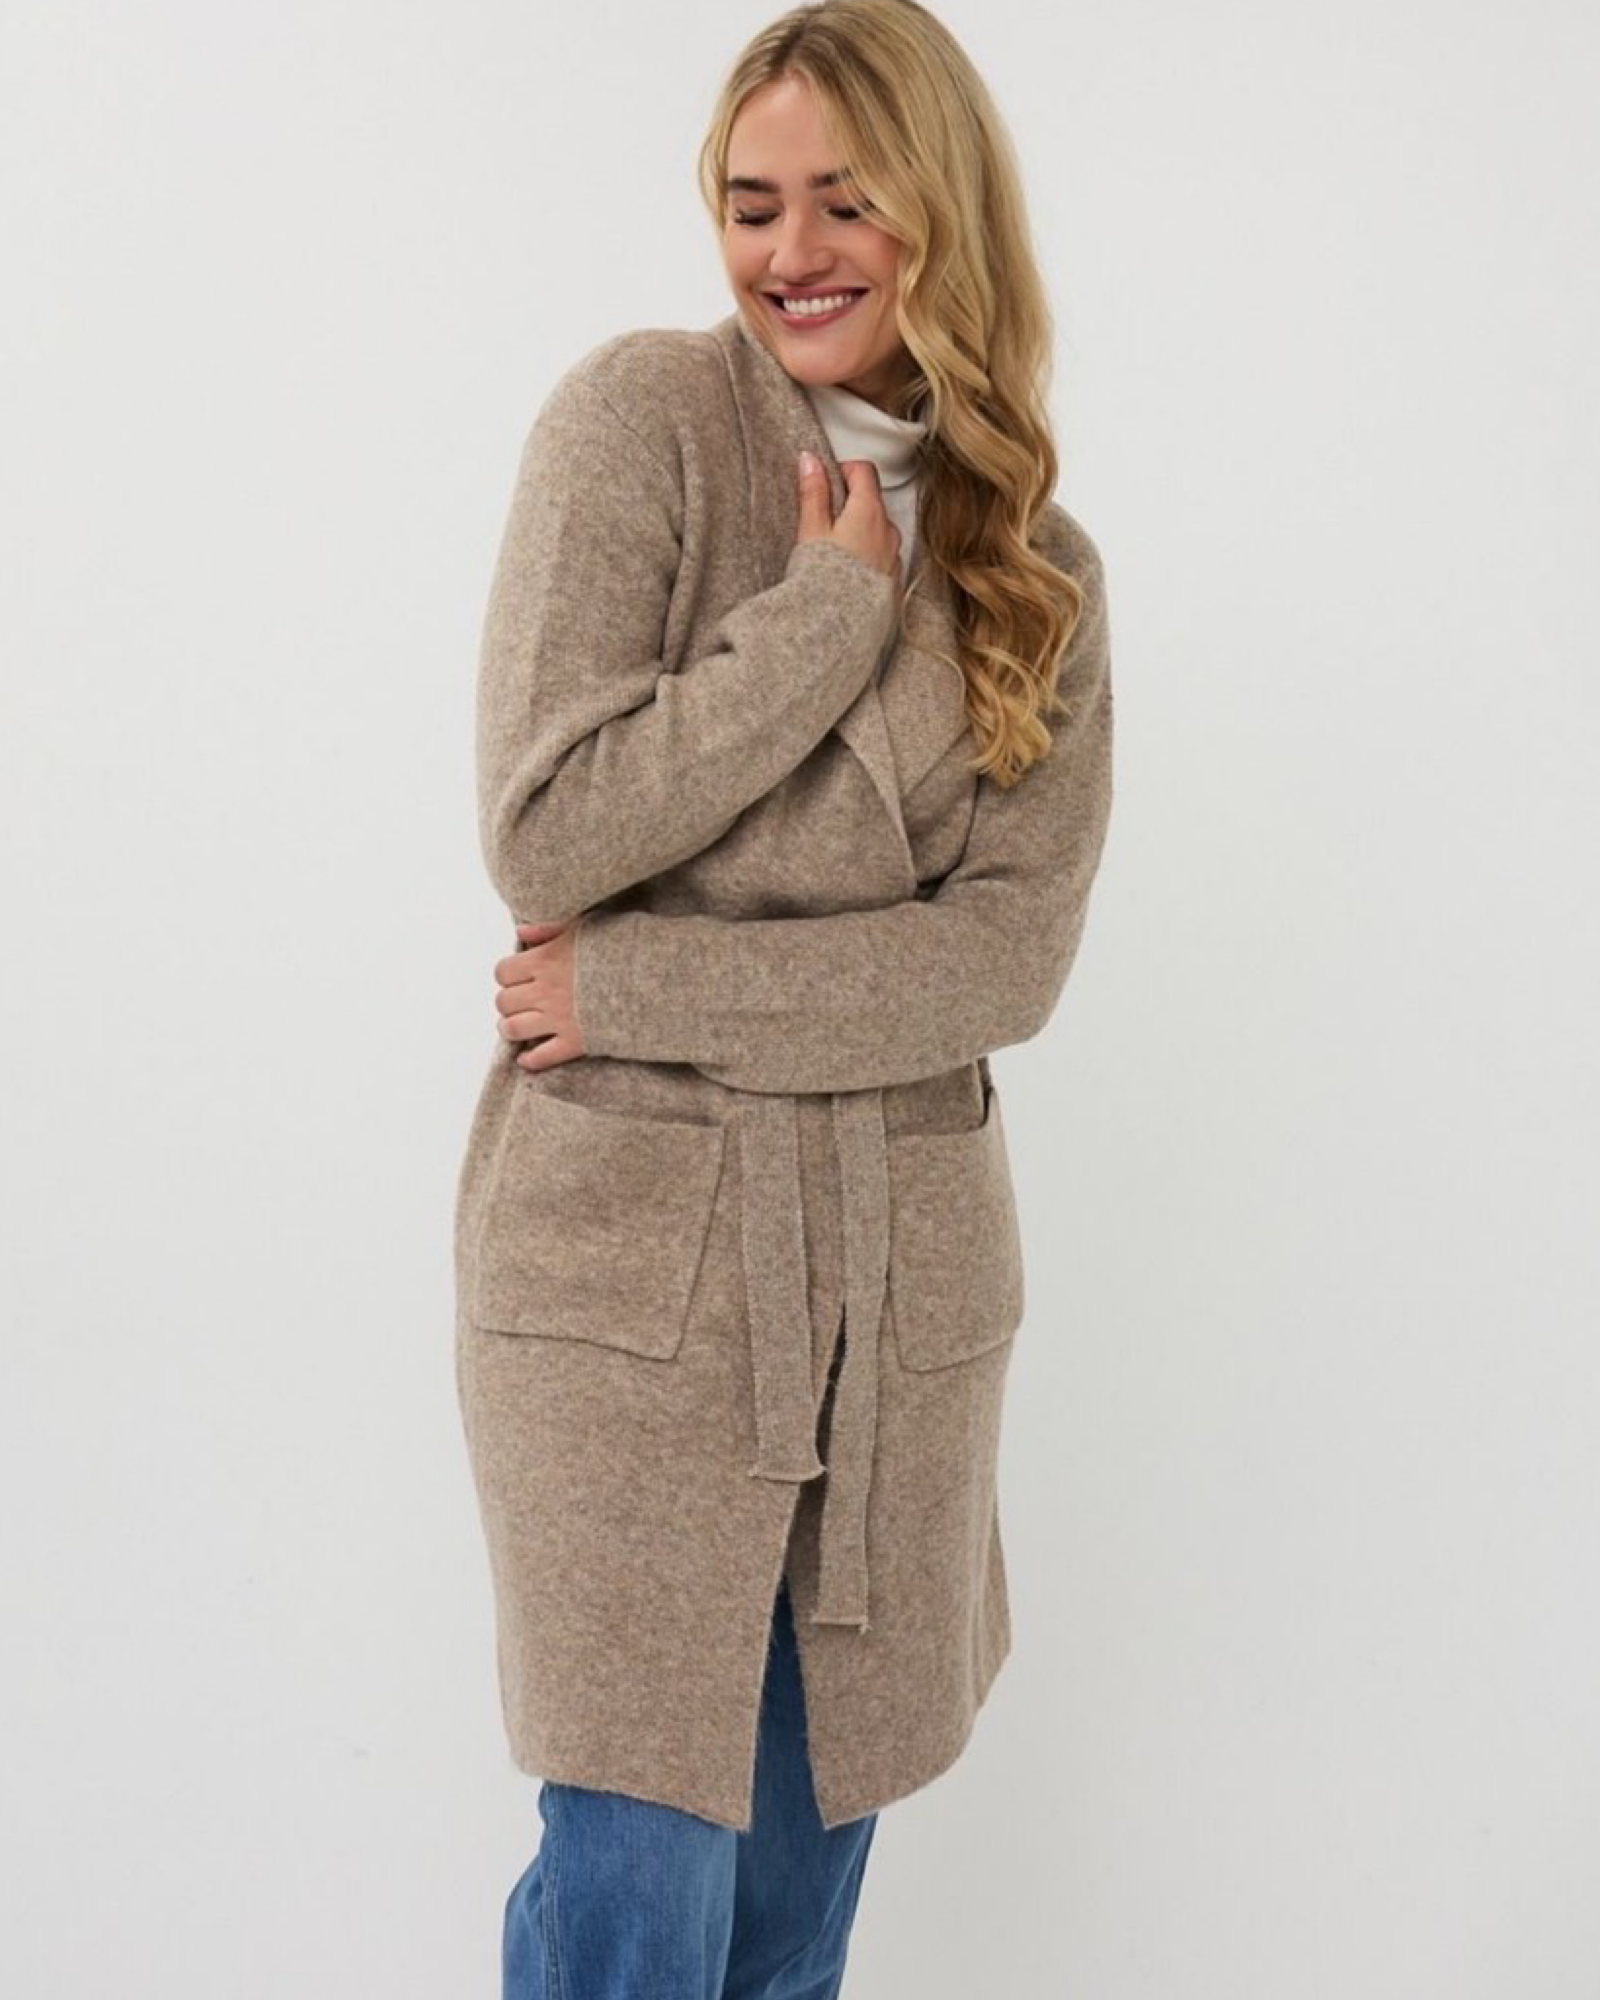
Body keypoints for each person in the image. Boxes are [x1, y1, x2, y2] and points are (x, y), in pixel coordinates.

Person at [452, 2, 1116, 1993]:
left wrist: (642, 977)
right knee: (632, 1890)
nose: (793, 250)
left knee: (784, 1921)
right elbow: (548, 823)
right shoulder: (644, 428)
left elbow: (999, 963)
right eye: (752, 205)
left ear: (943, 212)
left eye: (845, 199)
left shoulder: (1036, 566)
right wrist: (822, 617)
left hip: (890, 1302)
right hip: (631, 1284)